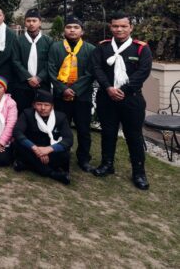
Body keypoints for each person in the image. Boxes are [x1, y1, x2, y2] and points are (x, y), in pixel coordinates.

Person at [91, 12, 153, 190]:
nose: (119, 29)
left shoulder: (141, 48)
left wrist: (122, 90)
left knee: (133, 136)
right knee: (108, 133)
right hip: (106, 97)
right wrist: (108, 88)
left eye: (123, 26)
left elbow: (142, 73)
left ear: (131, 27)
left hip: (131, 100)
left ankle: (139, 172)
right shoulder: (103, 47)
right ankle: (107, 164)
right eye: (115, 26)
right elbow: (97, 68)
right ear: (110, 27)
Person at [47, 15, 96, 173]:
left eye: (76, 27)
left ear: (82, 31)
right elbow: (51, 70)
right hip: (61, 96)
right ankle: (61, 154)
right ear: (64, 30)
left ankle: (83, 158)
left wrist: (74, 90)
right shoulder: (56, 47)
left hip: (82, 96)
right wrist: (62, 89)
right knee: (61, 127)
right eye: (69, 27)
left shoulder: (90, 49)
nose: (72, 30)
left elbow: (90, 73)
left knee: (83, 129)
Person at [13, 89, 73, 185]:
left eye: (47, 105)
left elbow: (69, 140)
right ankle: (53, 174)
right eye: (39, 104)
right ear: (34, 105)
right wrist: (35, 148)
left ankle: (27, 165)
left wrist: (49, 149)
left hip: (50, 151)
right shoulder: (27, 113)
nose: (43, 108)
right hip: (32, 149)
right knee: (18, 144)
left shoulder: (61, 117)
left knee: (65, 153)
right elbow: (17, 132)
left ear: (52, 106)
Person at [11, 9, 53, 113]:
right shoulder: (18, 40)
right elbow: (15, 61)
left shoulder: (48, 41)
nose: (31, 23)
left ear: (40, 22)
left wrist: (39, 78)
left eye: (34, 21)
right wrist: (28, 77)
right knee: (22, 112)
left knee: (41, 112)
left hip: (42, 85)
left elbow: (51, 62)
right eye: (28, 21)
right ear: (25, 22)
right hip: (22, 84)